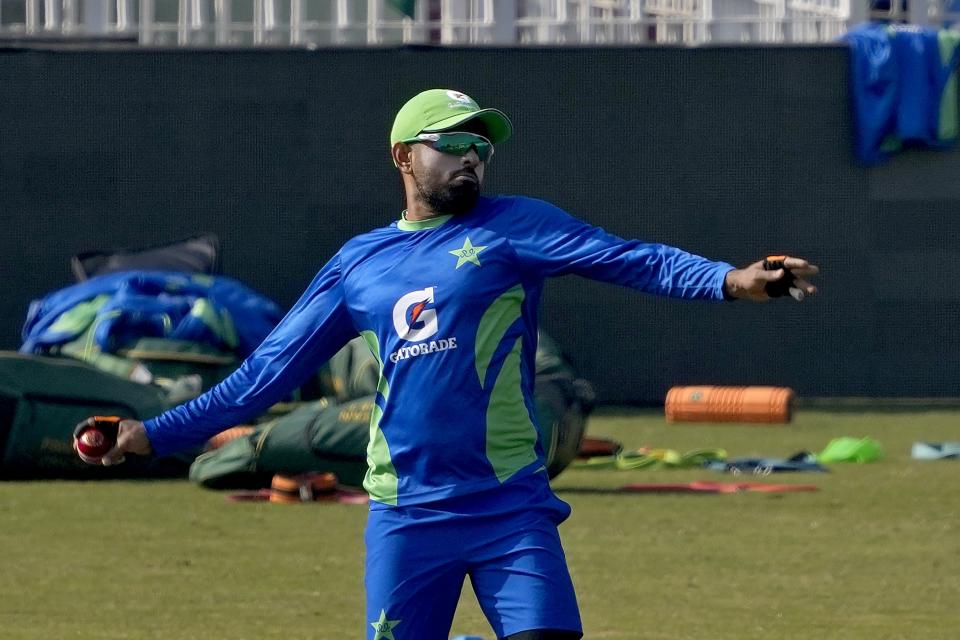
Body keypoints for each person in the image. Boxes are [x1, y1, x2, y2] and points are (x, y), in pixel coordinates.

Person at [85, 88, 819, 640]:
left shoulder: (516, 226)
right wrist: (153, 435)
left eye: (481, 146)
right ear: (404, 156)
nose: (471, 155)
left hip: (509, 505)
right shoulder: (357, 265)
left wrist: (729, 279)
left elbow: (631, 259)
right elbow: (263, 375)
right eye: (452, 142)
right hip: (406, 515)